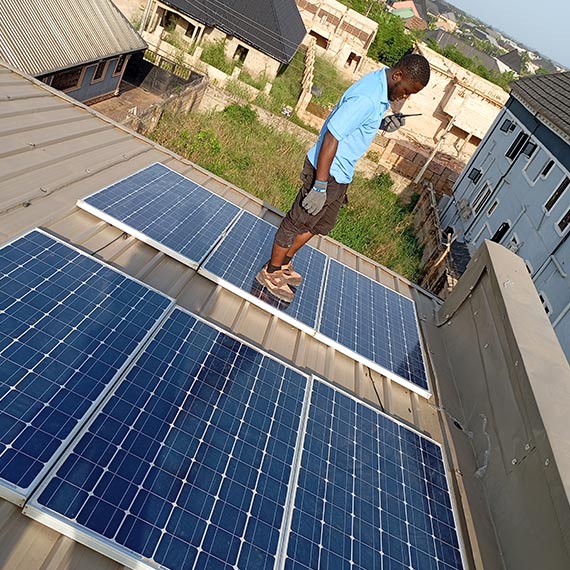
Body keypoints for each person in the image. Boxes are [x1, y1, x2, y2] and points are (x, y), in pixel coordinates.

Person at [255, 53, 431, 302]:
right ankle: (271, 272)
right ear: (398, 75)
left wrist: (382, 123)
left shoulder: (381, 87)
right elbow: (332, 135)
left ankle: (284, 263)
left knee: (319, 225)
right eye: (407, 91)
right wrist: (319, 185)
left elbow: (357, 123)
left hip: (341, 174)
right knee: (296, 222)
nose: (406, 97)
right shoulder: (368, 98)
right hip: (327, 171)